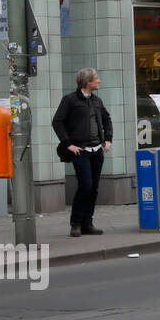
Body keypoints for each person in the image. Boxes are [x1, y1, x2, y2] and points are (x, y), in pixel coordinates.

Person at [51, 68, 113, 237]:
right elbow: (57, 122)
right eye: (96, 79)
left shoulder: (97, 101)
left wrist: (108, 139)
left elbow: (107, 120)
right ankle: (76, 223)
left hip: (97, 150)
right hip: (81, 151)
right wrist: (68, 144)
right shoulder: (70, 100)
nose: (99, 81)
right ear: (88, 82)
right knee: (85, 185)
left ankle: (88, 223)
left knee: (93, 188)